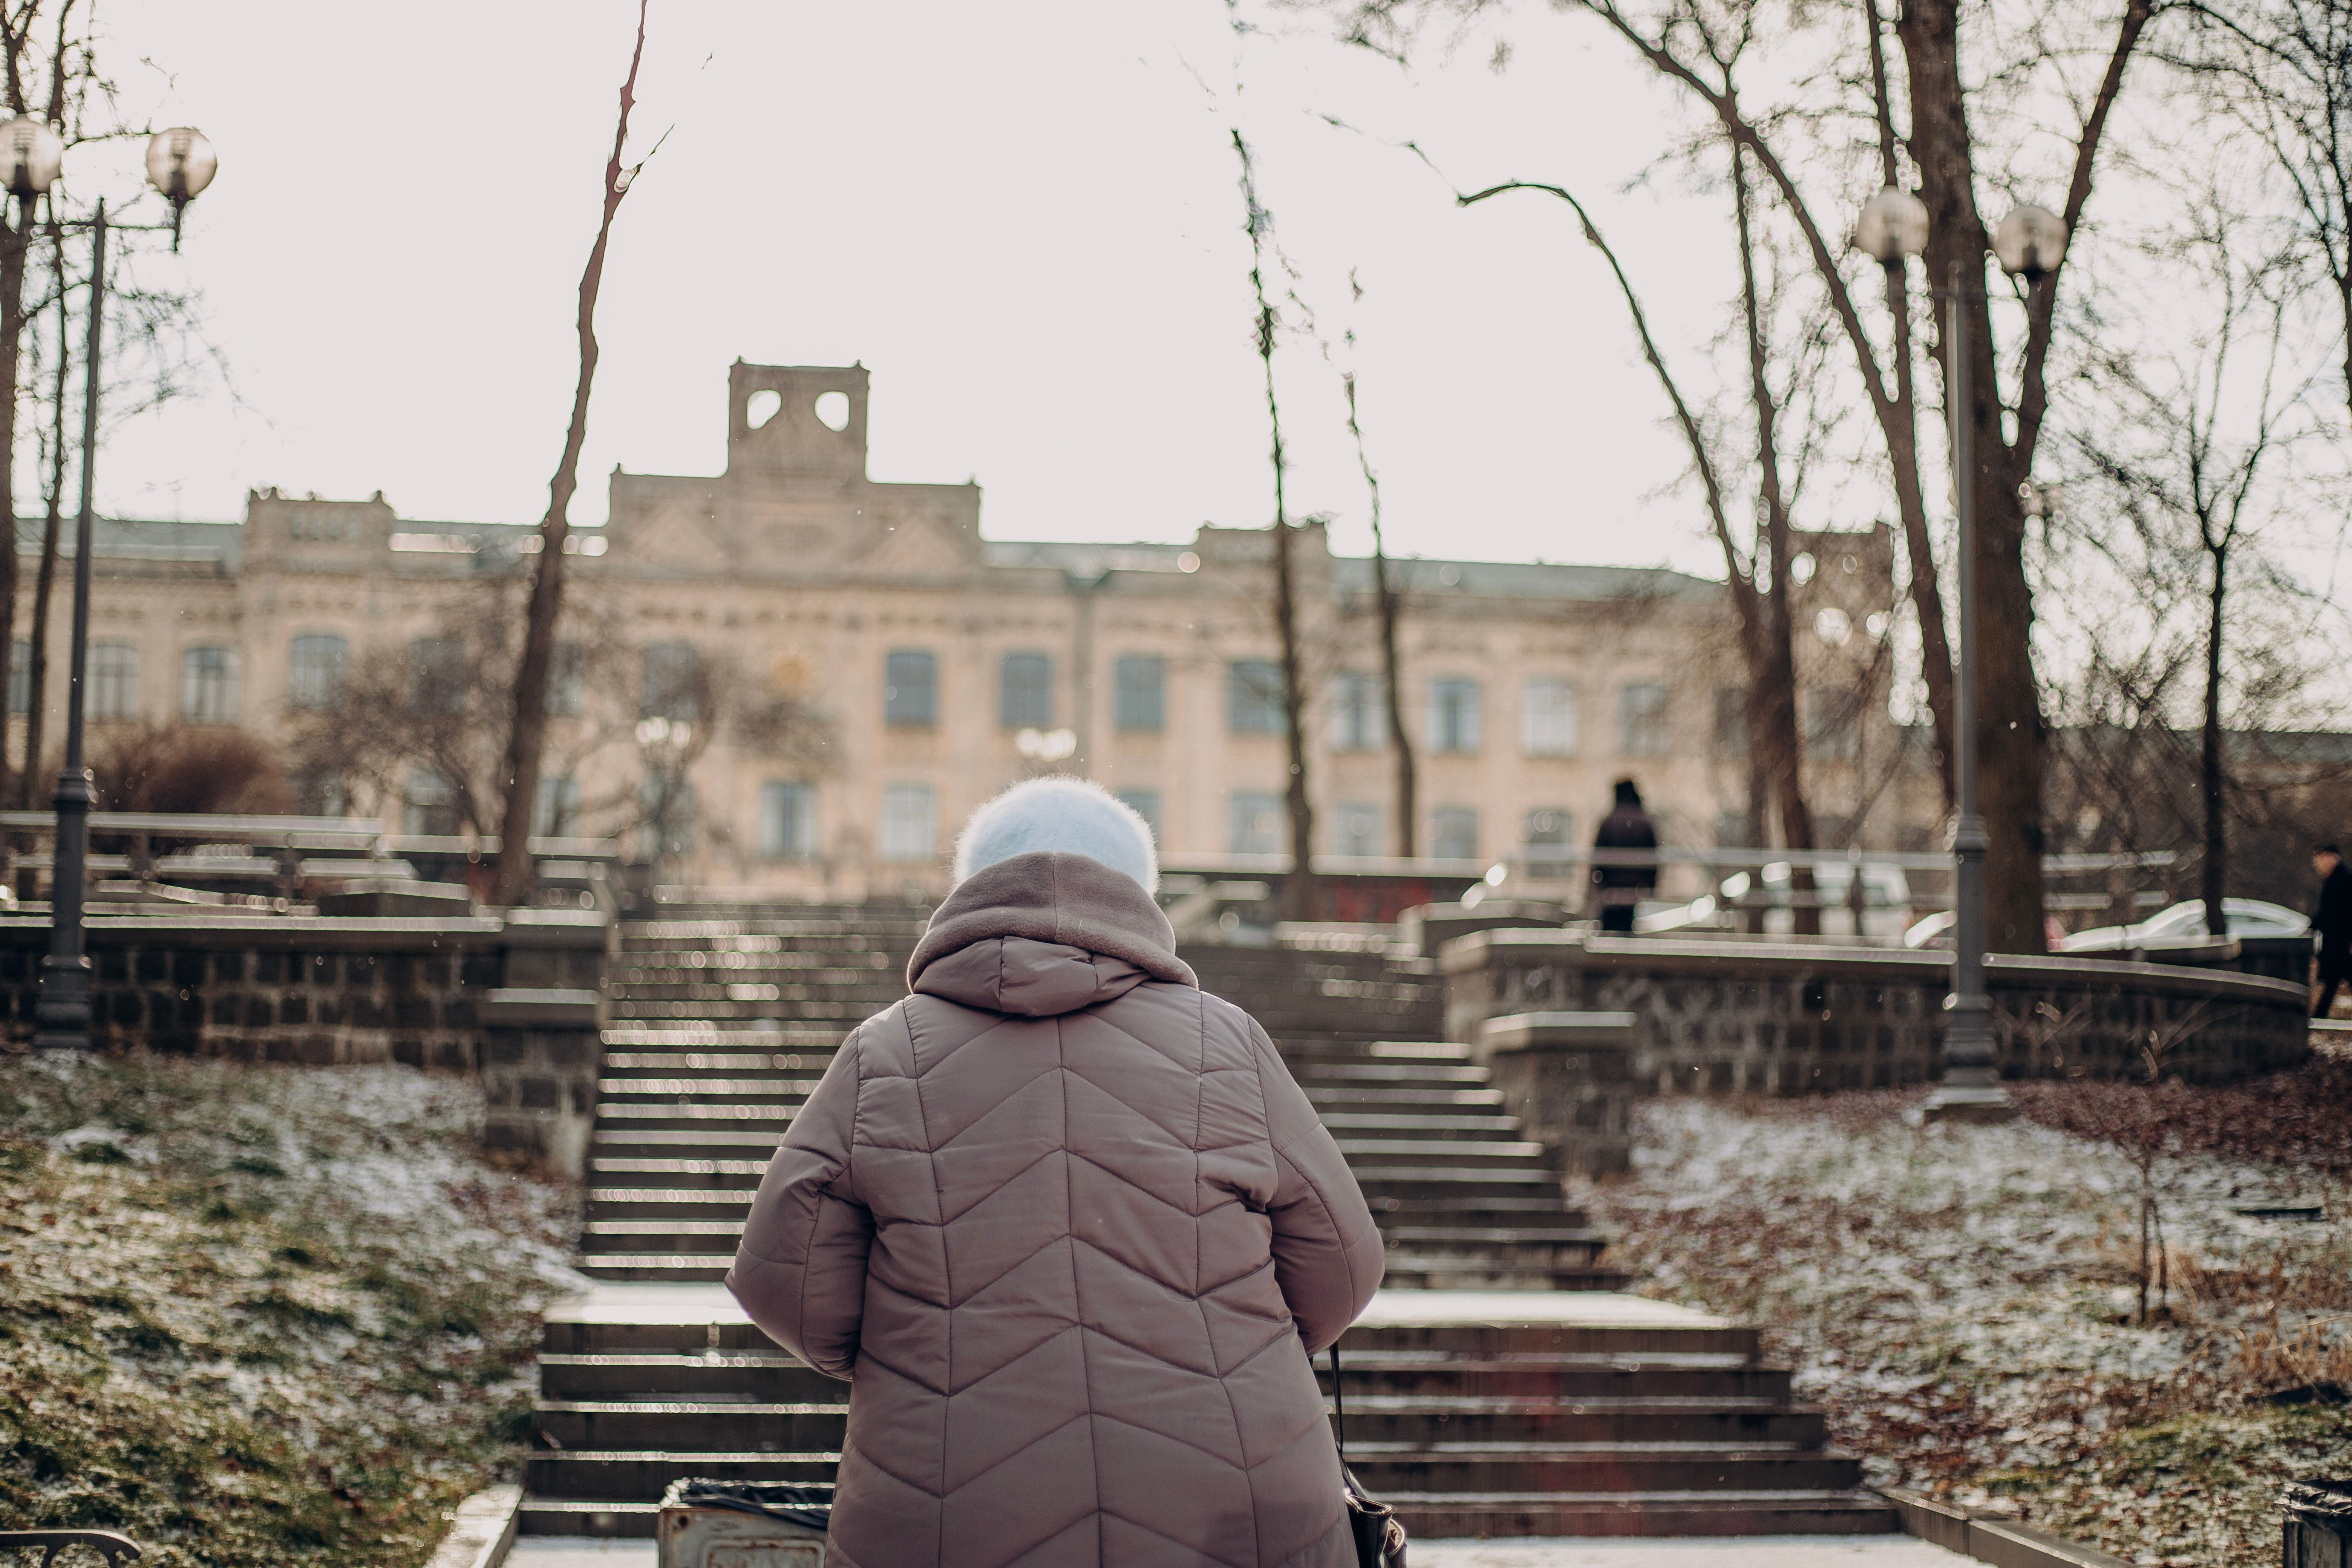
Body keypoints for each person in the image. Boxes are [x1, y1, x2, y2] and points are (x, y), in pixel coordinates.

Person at [729, 776, 1384, 1568]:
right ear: (1139, 892)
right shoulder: (1228, 1043)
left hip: (950, 1506)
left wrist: (923, 1343)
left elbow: (783, 1282)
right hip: (1233, 1498)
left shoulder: (885, 1054)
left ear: (970, 889)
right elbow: (1344, 1266)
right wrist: (1231, 1345)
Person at [1591, 777, 1658, 934]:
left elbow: (1598, 857)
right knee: (1629, 932)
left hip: (1611, 892)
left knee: (1609, 932)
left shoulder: (1609, 822)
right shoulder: (1644, 822)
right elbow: (1653, 857)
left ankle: (1609, 955)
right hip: (1635, 891)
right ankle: (1627, 954)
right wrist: (1650, 886)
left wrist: (1599, 883)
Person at [2311, 843, 2352, 1018]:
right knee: (2333, 981)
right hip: (2337, 943)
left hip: (2344, 943)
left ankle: (2319, 1018)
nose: (2316, 864)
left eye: (2318, 859)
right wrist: (2309, 928)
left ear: (2330, 858)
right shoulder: (2333, 880)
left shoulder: (2345, 880)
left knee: (2335, 979)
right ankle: (2319, 1017)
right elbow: (2326, 913)